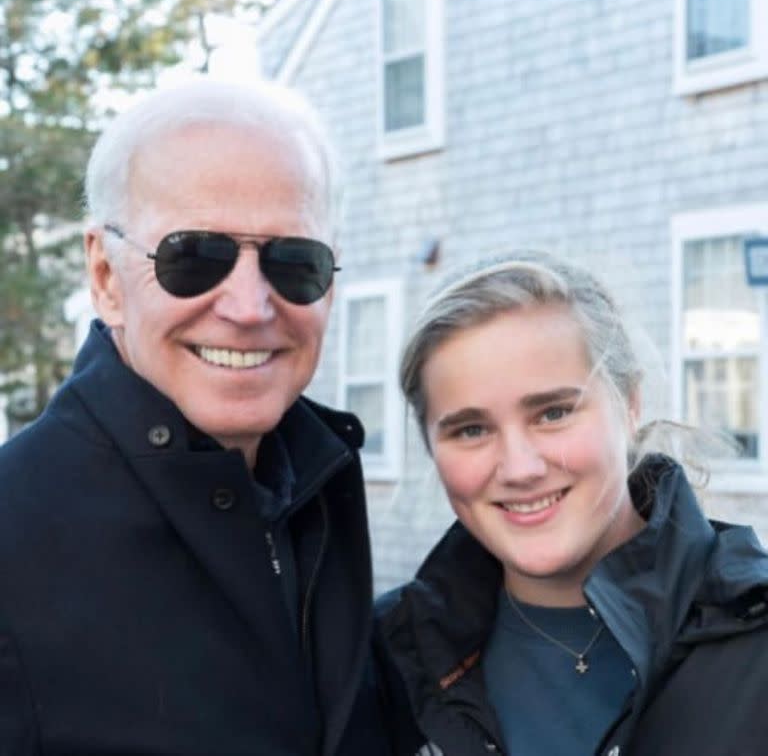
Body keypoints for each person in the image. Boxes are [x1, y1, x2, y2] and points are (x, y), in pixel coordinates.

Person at [0, 79, 388, 755]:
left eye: (293, 262)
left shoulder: (318, 489)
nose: (248, 305)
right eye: (193, 257)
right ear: (105, 275)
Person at [375, 250, 768, 755]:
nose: (520, 468)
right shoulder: (385, 662)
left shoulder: (753, 639)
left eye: (553, 412)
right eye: (471, 429)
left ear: (630, 404)